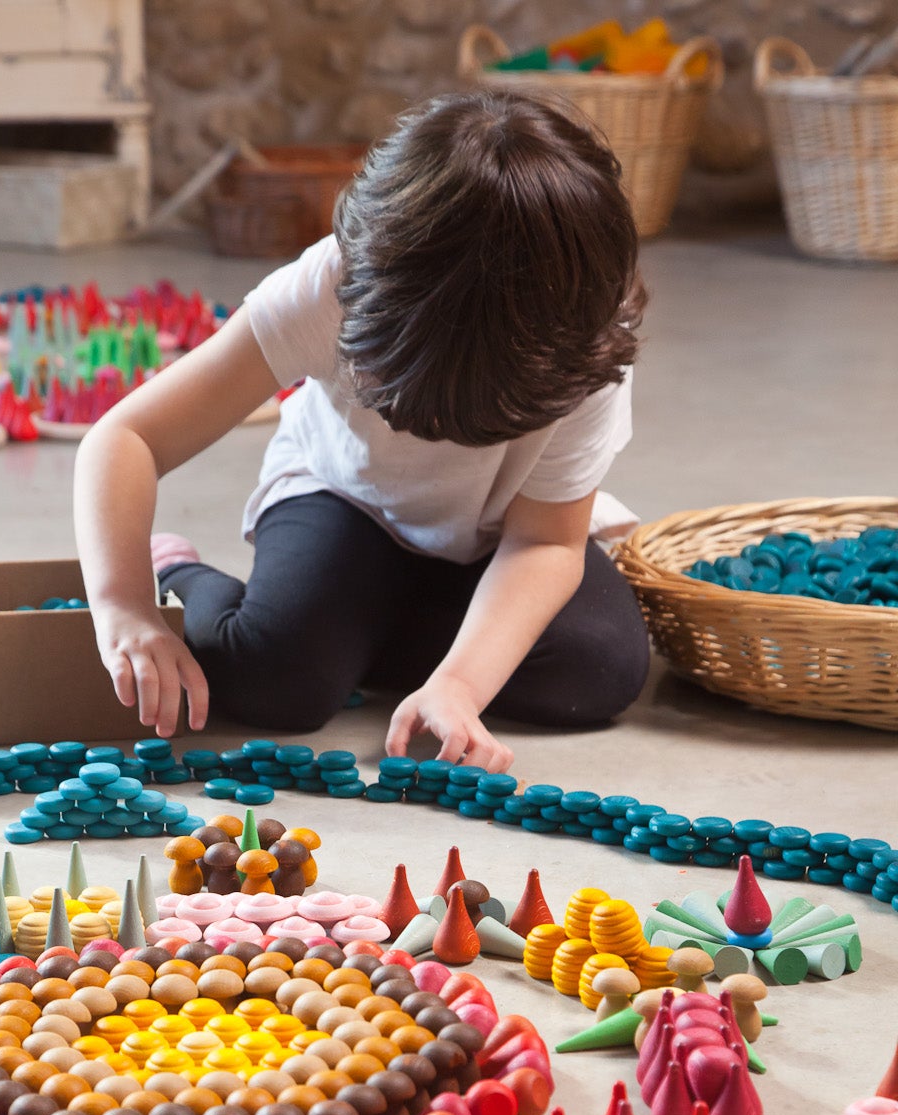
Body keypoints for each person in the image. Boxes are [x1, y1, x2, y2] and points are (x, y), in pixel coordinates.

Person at [74, 89, 650, 773]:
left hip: (493, 540)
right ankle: (190, 572)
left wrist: (461, 686)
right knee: (276, 683)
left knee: (600, 671)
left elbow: (545, 541)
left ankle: (360, 629)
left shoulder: (584, 342)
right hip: (345, 501)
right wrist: (127, 604)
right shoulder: (331, 288)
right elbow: (126, 438)